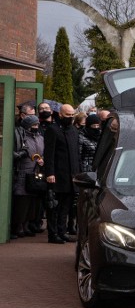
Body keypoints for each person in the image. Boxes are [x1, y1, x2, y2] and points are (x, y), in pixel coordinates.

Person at [43, 104, 81, 244]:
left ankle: (61, 231)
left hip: (71, 175)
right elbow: (49, 154)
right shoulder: (52, 130)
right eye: (67, 115)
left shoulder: (73, 131)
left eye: (72, 115)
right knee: (54, 206)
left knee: (66, 206)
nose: (70, 118)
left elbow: (77, 153)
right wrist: (49, 173)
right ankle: (53, 234)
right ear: (60, 114)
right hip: (58, 174)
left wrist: (78, 173)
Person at [10, 115, 43, 239]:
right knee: (22, 201)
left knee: (32, 202)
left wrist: (42, 160)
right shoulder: (22, 137)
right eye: (34, 125)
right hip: (23, 171)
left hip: (35, 172)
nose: (36, 127)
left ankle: (27, 224)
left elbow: (43, 152)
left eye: (37, 125)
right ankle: (18, 226)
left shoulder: (40, 138)